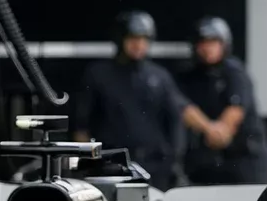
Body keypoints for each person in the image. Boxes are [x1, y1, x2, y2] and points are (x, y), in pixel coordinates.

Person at [73, 11, 225, 191]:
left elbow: (177, 115)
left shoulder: (159, 76)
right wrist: (87, 164)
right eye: (133, 38)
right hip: (111, 167)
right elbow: (81, 125)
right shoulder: (98, 74)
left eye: (144, 39)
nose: (139, 45)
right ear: (121, 39)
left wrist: (174, 161)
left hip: (155, 168)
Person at [177, 17, 267, 187]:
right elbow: (184, 108)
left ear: (224, 44)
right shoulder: (189, 78)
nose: (207, 48)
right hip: (210, 161)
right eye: (203, 43)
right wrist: (208, 128)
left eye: (213, 42)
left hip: (246, 159)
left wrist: (218, 132)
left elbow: (234, 112)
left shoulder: (234, 72)